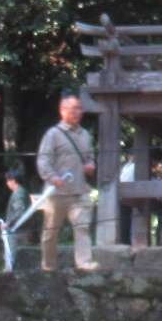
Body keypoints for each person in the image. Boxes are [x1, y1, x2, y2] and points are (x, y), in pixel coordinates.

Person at [36, 91, 96, 271]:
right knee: (50, 233)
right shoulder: (53, 134)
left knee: (83, 227)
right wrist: (52, 176)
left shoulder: (85, 135)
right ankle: (48, 266)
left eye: (79, 108)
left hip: (79, 191)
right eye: (73, 108)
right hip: (57, 194)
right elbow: (43, 160)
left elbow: (90, 157)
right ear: (62, 110)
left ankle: (84, 263)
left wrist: (90, 165)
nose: (77, 112)